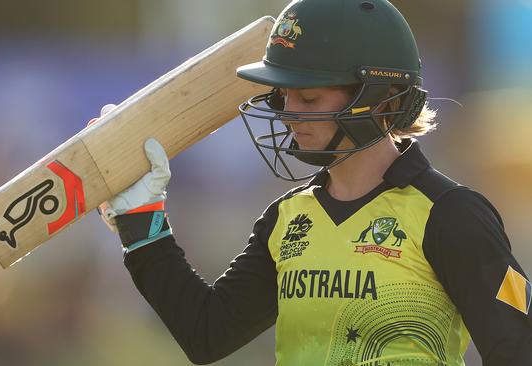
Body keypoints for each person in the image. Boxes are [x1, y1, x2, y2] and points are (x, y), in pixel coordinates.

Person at [97, 0, 532, 364]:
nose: (288, 113)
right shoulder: (288, 218)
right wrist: (141, 221)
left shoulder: (450, 214)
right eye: (282, 96)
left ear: (379, 99)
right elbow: (207, 333)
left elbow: (517, 347)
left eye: (308, 97)